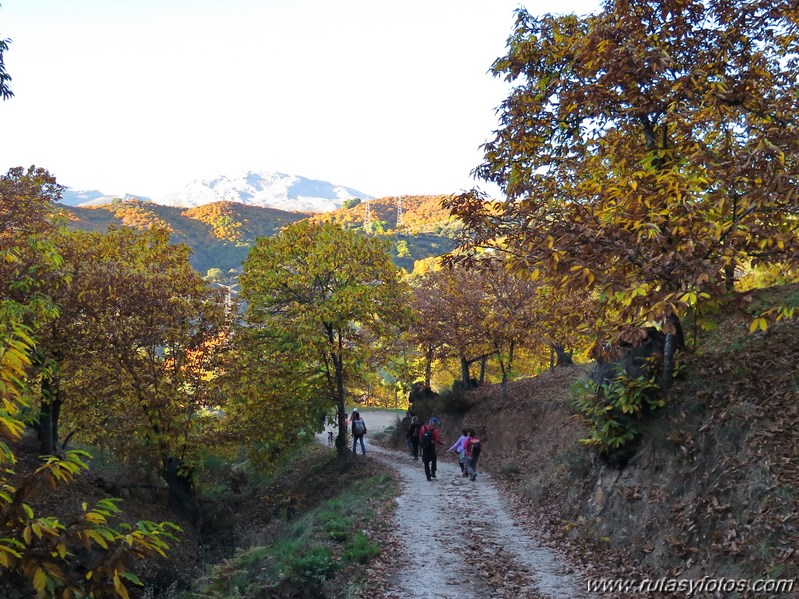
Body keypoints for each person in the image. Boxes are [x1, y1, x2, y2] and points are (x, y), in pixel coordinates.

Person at [418, 417, 442, 481]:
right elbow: (437, 440)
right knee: (434, 459)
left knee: (426, 463)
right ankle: (433, 472)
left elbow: (420, 436)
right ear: (435, 423)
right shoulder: (435, 430)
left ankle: (428, 477)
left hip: (425, 448)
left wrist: (422, 444)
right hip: (432, 448)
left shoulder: (423, 428)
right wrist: (441, 443)